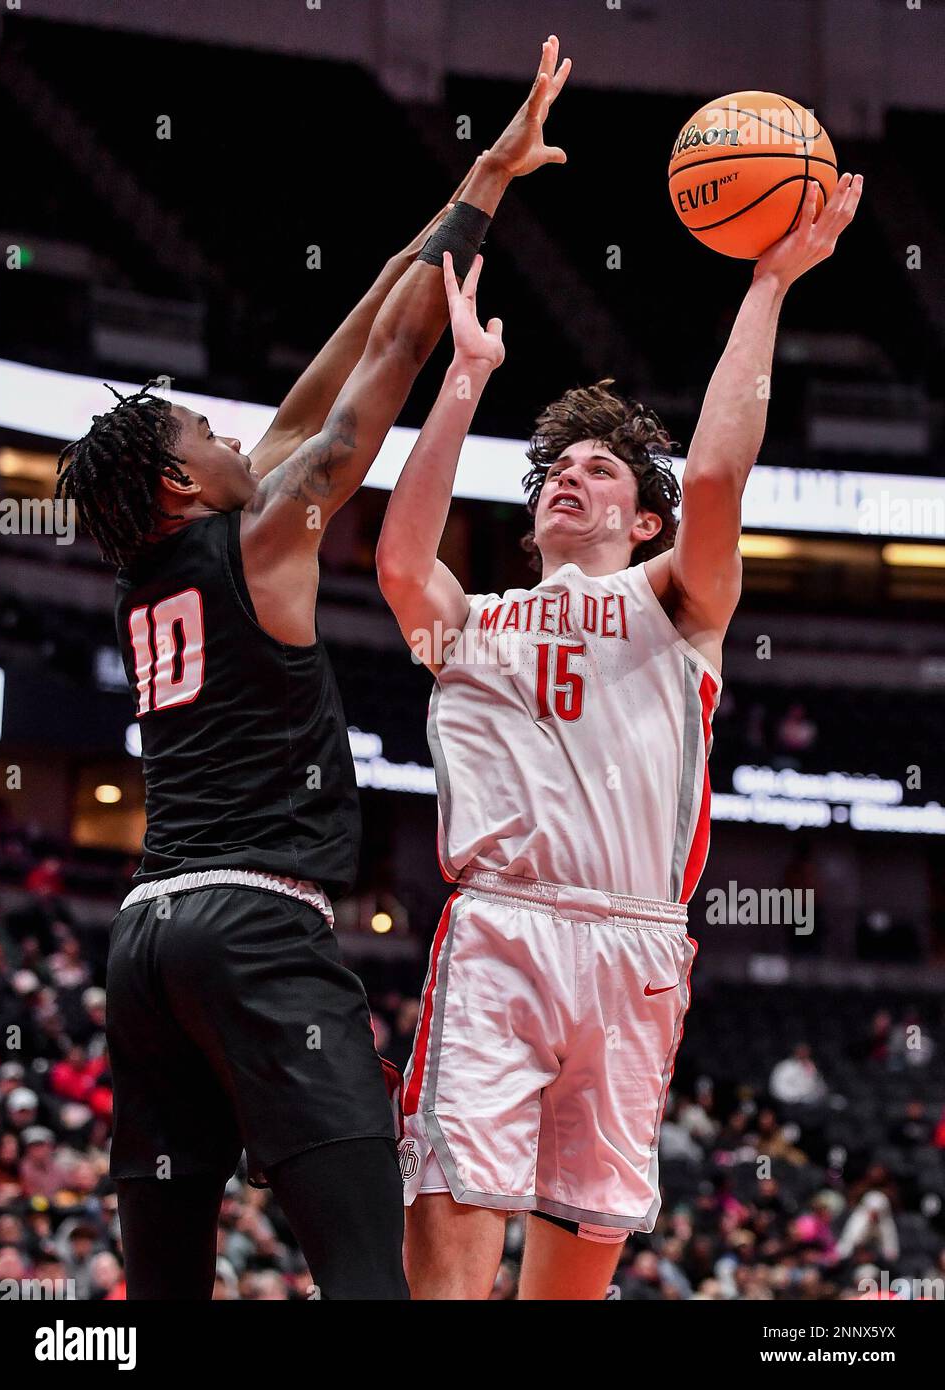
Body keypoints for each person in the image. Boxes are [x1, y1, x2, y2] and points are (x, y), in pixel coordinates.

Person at [53, 36, 572, 1301]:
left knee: (158, 1294)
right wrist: (492, 187)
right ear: (183, 481)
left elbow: (348, 344)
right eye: (203, 429)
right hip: (255, 933)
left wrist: (458, 194)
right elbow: (385, 366)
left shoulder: (167, 563)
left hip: (146, 940)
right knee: (364, 1271)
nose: (232, 427)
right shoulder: (269, 532)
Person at [377, 172, 863, 1299]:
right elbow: (402, 559)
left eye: (598, 470)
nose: (568, 478)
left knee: (571, 1282)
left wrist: (770, 284)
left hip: (640, 947)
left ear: (642, 521)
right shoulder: (471, 622)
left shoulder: (677, 603)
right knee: (446, 1254)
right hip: (500, 932)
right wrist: (462, 382)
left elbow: (715, 472)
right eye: (555, 470)